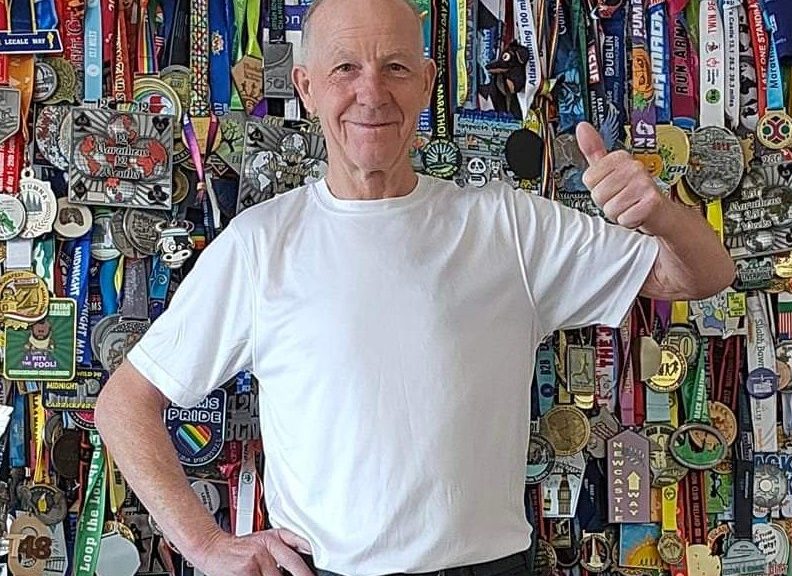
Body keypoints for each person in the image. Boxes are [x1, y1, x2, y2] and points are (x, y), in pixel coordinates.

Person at [94, 0, 736, 575]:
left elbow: (705, 276)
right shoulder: (261, 244)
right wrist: (205, 546)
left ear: (429, 83)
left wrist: (660, 215)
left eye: (396, 67)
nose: (372, 93)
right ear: (305, 88)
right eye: (345, 68)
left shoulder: (509, 224)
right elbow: (123, 404)